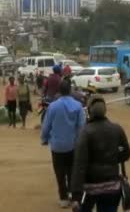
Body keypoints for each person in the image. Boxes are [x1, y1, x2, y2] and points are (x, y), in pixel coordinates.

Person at [71, 96, 130, 212]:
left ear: (89, 112)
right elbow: (127, 153)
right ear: (105, 111)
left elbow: (79, 165)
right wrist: (114, 158)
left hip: (90, 188)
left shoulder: (85, 132)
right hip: (112, 187)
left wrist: (76, 196)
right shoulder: (117, 129)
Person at [41, 80, 86, 208]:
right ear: (70, 90)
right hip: (73, 146)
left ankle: (63, 198)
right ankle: (73, 196)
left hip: (57, 147)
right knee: (72, 171)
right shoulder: (78, 106)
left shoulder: (53, 106)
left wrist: (44, 139)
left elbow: (46, 126)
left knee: (59, 173)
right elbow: (82, 126)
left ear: (59, 91)